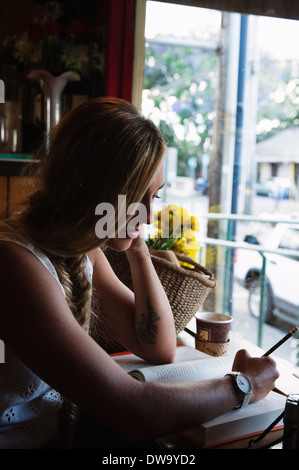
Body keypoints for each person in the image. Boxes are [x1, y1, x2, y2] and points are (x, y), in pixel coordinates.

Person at [0, 97, 279, 449]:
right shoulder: (14, 264)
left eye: (155, 196)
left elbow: (158, 347)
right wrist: (244, 386)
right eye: (136, 196)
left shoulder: (80, 249)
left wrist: (136, 246)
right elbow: (134, 412)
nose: (148, 216)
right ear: (91, 190)